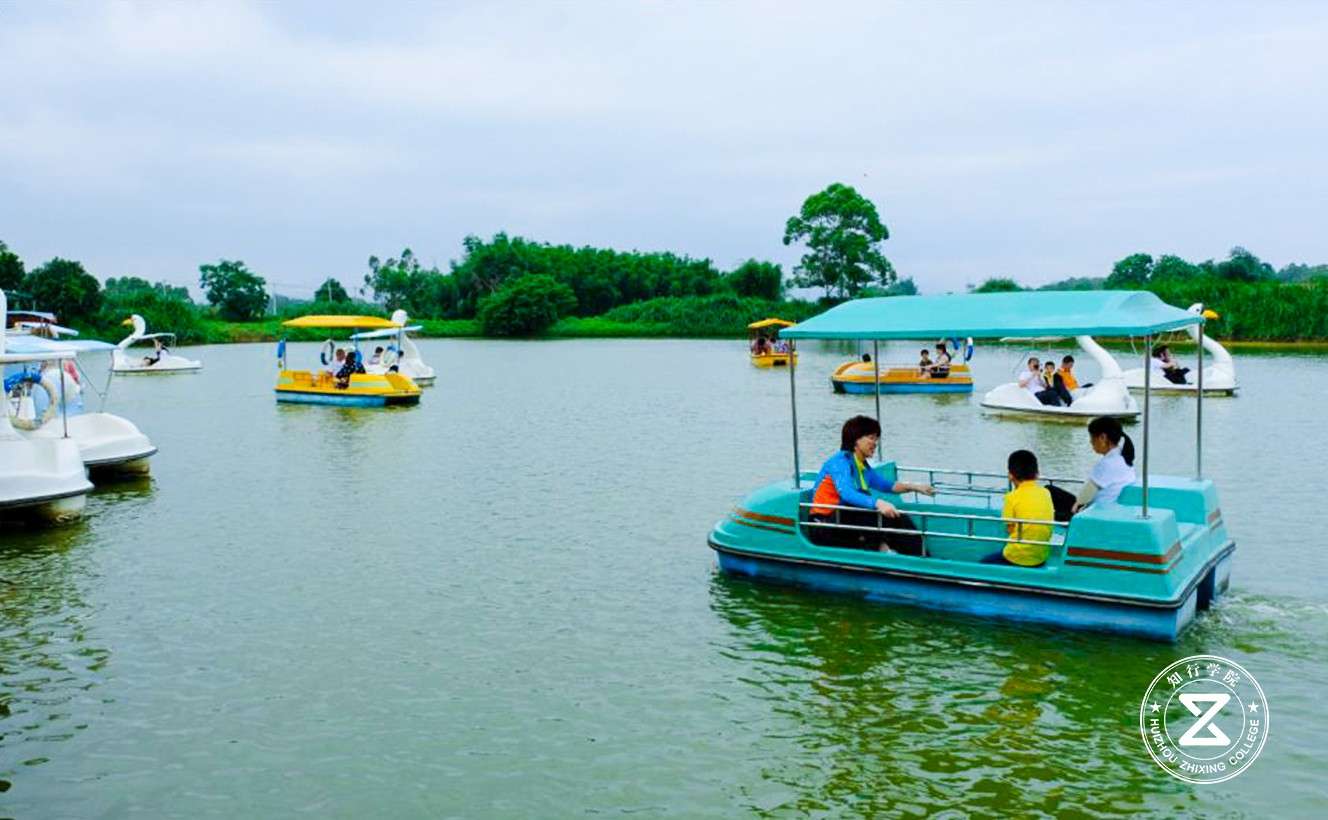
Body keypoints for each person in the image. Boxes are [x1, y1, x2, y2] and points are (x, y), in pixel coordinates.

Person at [806, 415, 935, 555]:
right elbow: (847, 493)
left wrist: (915, 487)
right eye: (871, 438)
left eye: (876, 439)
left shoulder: (862, 466)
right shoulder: (840, 462)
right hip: (823, 525)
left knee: (897, 517)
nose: (875, 443)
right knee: (866, 511)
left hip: (843, 522)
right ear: (856, 439)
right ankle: (884, 550)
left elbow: (887, 485)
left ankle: (921, 558)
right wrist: (878, 503)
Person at [1047, 416, 1138, 520]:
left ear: (1102, 438)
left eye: (1092, 438)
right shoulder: (1123, 457)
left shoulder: (1107, 464)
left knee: (1048, 496)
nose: (1090, 442)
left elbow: (1084, 497)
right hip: (1110, 509)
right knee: (1051, 491)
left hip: (1094, 515)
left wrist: (1076, 506)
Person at [984, 450, 1055, 566]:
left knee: (984, 563)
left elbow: (1009, 529)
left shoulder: (1011, 497)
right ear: (1037, 473)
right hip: (1041, 556)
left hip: (1017, 558)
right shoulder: (1046, 492)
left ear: (1010, 475)